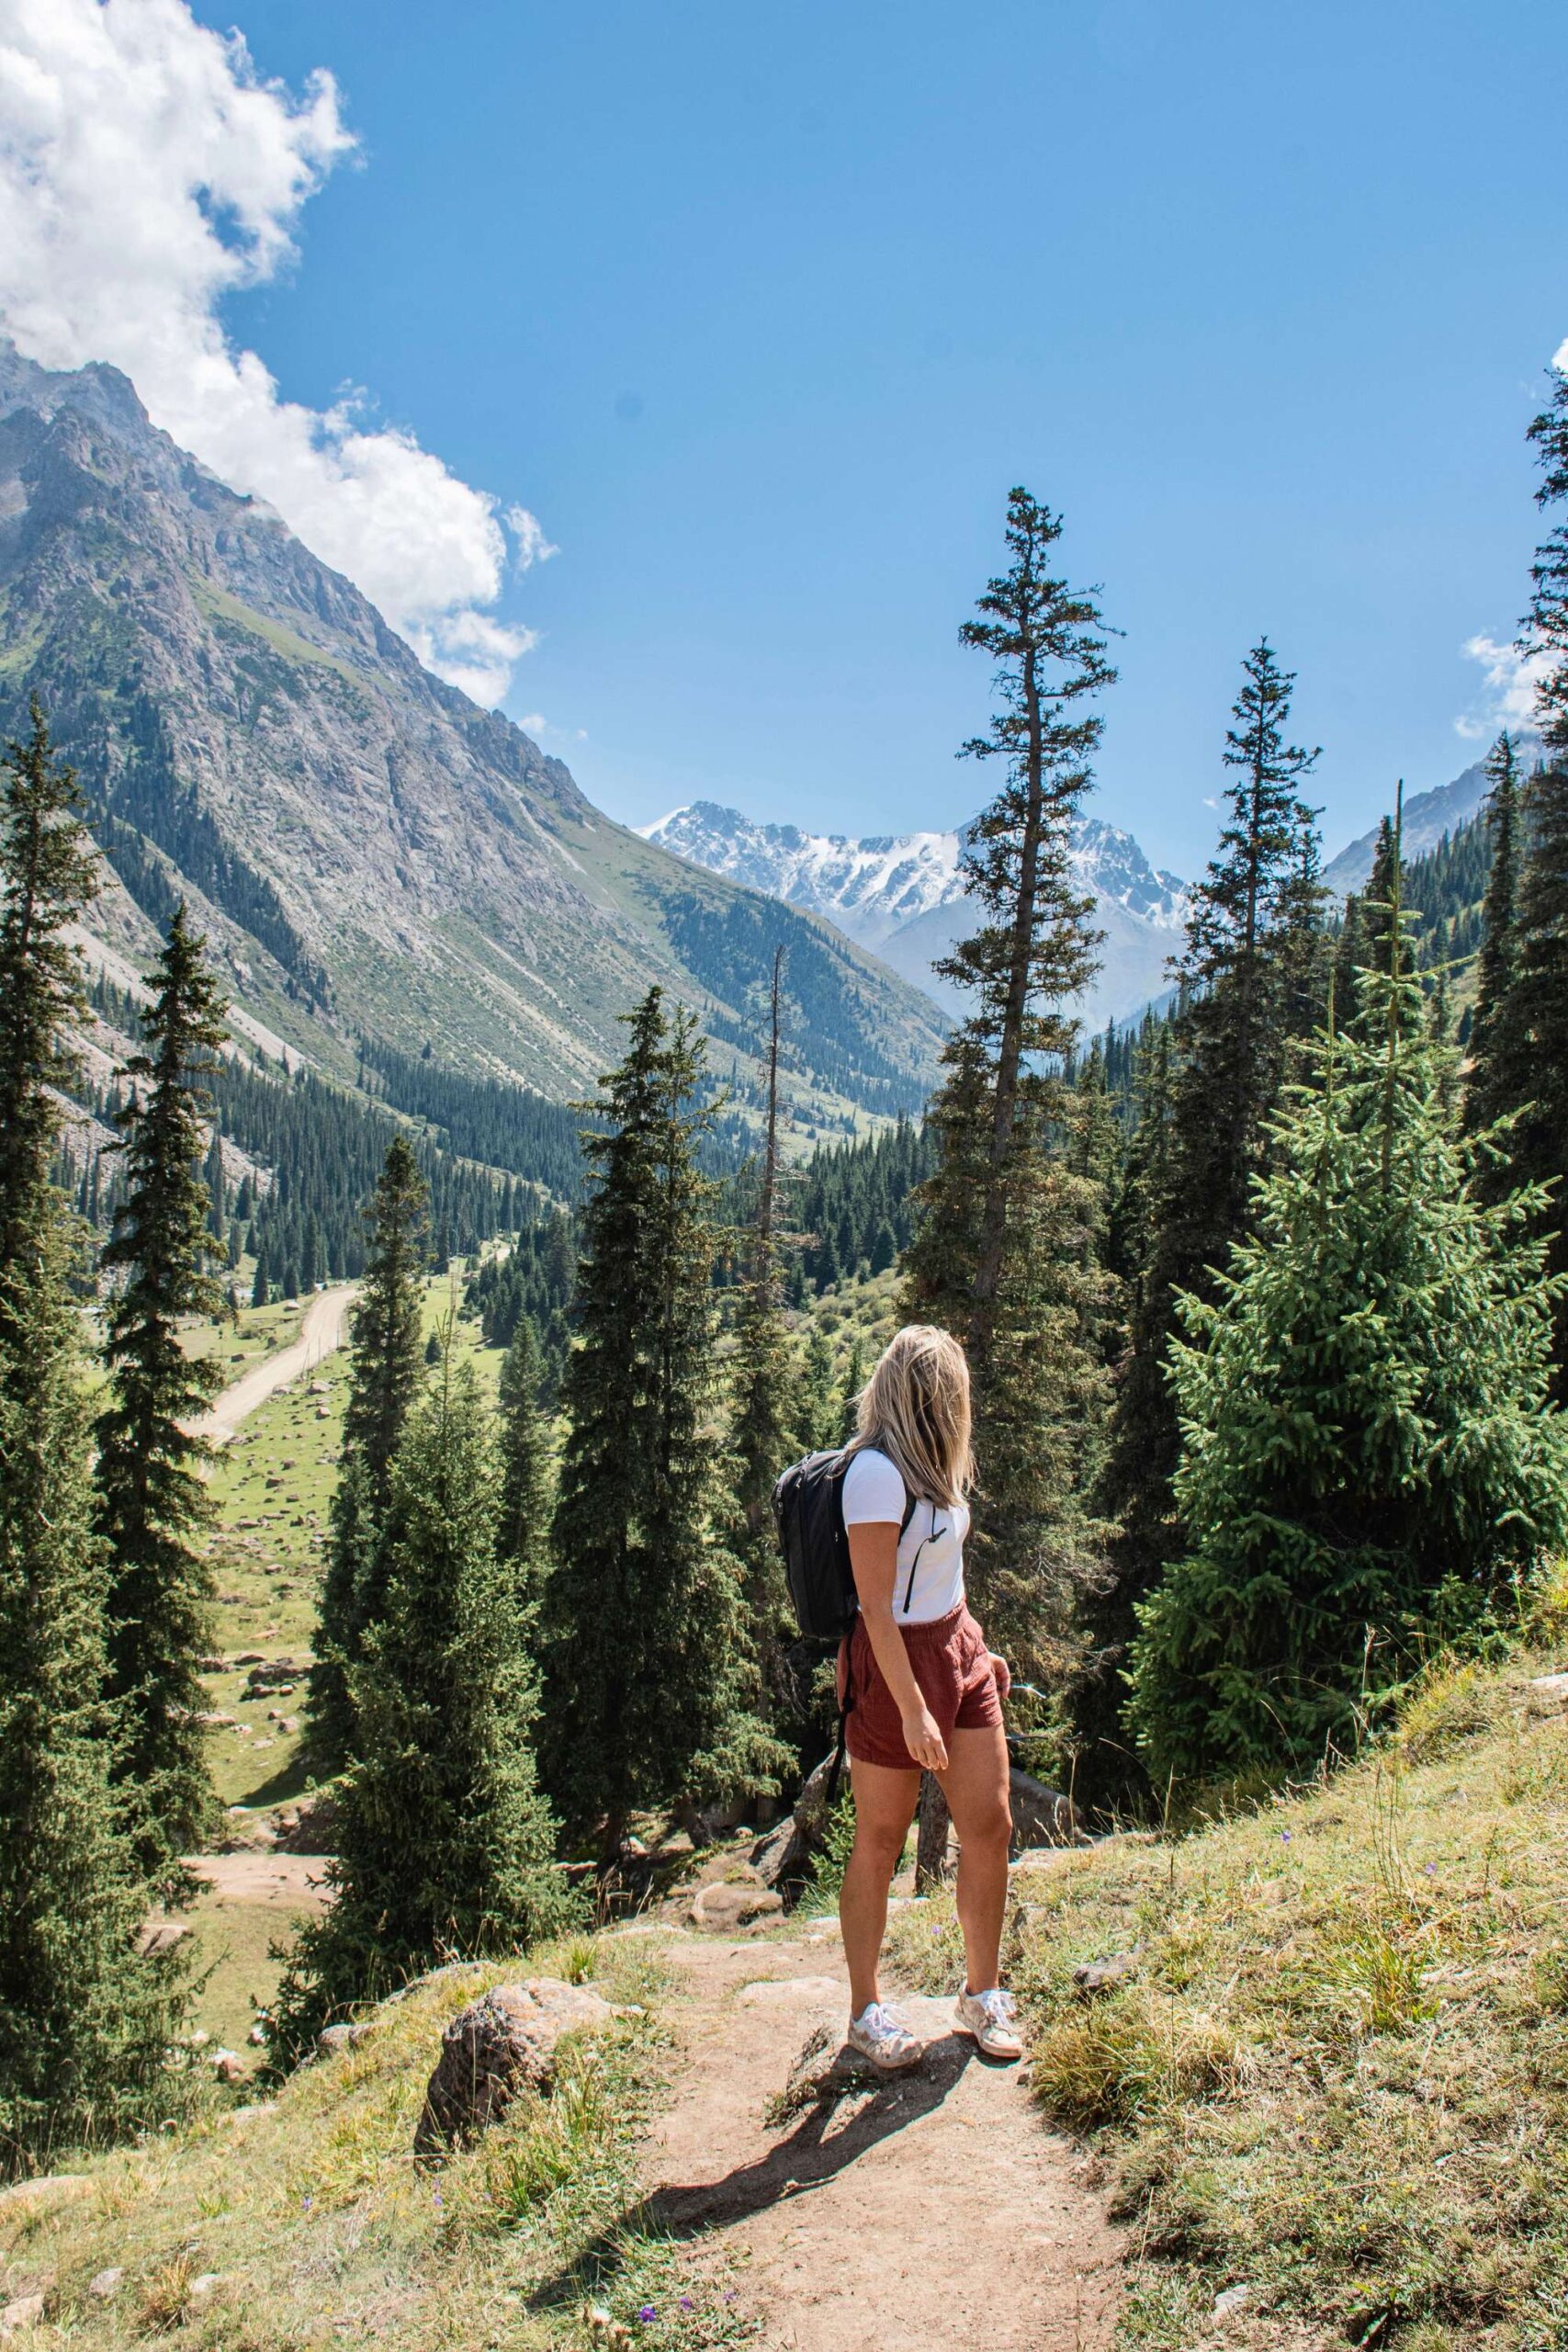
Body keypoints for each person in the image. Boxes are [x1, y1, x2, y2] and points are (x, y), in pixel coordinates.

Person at [836, 1324, 1021, 2066]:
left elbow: (942, 1569)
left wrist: (974, 1647)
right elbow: (876, 1608)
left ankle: (981, 1993)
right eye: (946, 1387)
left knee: (991, 1825)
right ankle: (865, 2010)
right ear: (922, 1394)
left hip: (954, 1645)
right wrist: (913, 1708)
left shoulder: (935, 1466)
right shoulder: (875, 1475)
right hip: (893, 1666)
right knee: (881, 1840)